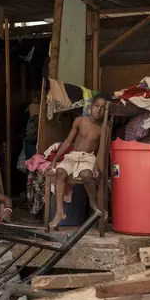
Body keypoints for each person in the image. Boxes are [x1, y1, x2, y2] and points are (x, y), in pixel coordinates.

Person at [48, 93, 109, 229]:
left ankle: (93, 203)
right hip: (73, 156)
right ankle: (59, 212)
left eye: (102, 108)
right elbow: (68, 141)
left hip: (89, 158)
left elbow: (101, 151)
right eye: (96, 106)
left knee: (86, 175)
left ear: (106, 111)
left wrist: (96, 167)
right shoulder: (79, 121)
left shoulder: (102, 128)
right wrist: (55, 160)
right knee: (60, 171)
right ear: (91, 106)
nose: (98, 110)